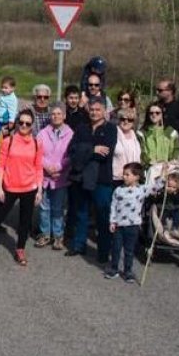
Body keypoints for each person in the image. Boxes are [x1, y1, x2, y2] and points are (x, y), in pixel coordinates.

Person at [0, 110, 43, 266]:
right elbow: (0, 165)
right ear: (17, 123)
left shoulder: (36, 143)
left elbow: (38, 167)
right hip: (9, 186)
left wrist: (39, 190)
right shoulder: (9, 141)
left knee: (25, 221)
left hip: (29, 187)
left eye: (28, 123)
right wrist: (0, 188)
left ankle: (20, 248)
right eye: (21, 122)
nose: (24, 126)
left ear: (32, 125)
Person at [66, 99, 118, 261]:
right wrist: (93, 149)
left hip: (101, 179)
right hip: (81, 177)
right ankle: (79, 245)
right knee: (81, 213)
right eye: (92, 109)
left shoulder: (110, 129)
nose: (94, 112)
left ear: (104, 111)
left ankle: (103, 252)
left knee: (102, 216)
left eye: (97, 109)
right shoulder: (82, 128)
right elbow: (72, 150)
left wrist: (84, 150)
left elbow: (106, 153)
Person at [105, 162, 162, 284]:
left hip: (133, 226)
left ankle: (128, 271)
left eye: (127, 174)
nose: (124, 176)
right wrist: (112, 221)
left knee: (129, 250)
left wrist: (163, 174)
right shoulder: (118, 190)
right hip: (119, 225)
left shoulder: (141, 190)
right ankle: (114, 268)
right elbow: (113, 206)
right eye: (124, 174)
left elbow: (156, 187)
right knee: (116, 248)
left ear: (136, 177)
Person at [36, 103, 73, 250]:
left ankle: (58, 236)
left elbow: (71, 155)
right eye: (53, 114)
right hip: (45, 176)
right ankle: (45, 234)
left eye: (59, 113)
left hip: (61, 177)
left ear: (64, 115)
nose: (56, 116)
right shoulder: (42, 133)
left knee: (58, 208)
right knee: (44, 207)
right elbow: (37, 152)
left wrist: (57, 167)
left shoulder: (71, 134)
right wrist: (47, 167)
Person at [140, 102, 179, 167]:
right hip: (149, 169)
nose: (154, 115)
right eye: (151, 113)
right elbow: (141, 152)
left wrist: (174, 160)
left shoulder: (171, 131)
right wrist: (149, 161)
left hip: (168, 168)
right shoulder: (142, 133)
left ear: (162, 114)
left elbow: (176, 149)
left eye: (157, 113)